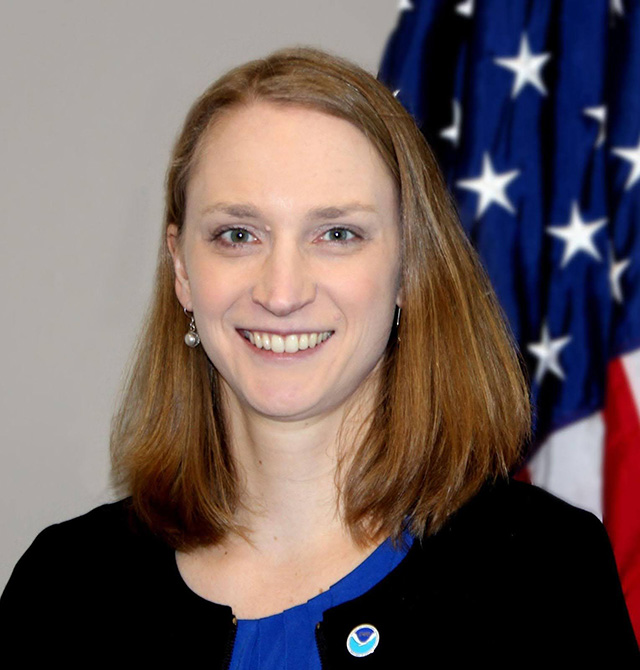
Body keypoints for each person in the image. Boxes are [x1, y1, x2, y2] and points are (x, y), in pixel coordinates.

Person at [1, 47, 638, 667]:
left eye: (337, 234)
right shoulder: (62, 589)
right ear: (181, 270)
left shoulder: (543, 575)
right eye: (238, 235)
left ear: (409, 268)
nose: (282, 293)